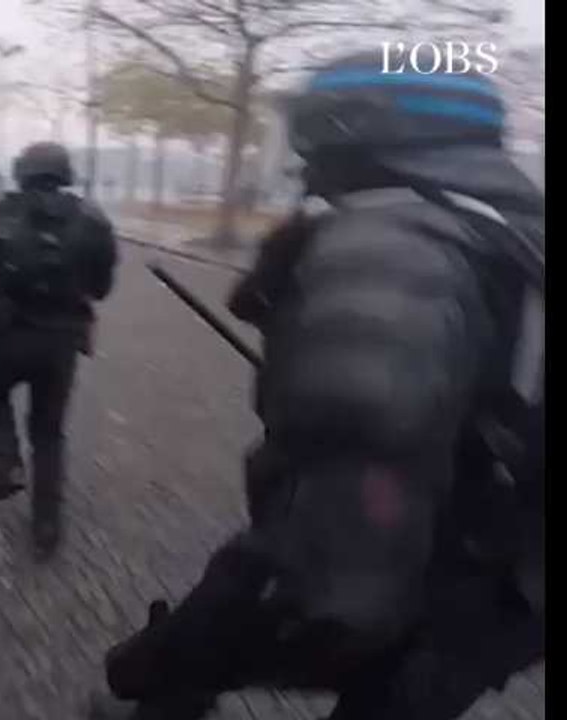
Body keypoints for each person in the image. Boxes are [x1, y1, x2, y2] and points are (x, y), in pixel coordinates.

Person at [89, 50, 543, 720]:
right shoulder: (507, 229)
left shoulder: (390, 246)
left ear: (348, 127)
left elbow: (335, 572)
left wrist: (172, 658)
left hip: (440, 567)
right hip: (512, 575)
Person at [0, 142, 118, 559]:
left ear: (21, 172)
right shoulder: (93, 219)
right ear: (65, 173)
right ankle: (47, 524)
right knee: (49, 431)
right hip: (61, 341)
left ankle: (7, 458)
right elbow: (102, 288)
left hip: (5, 334)